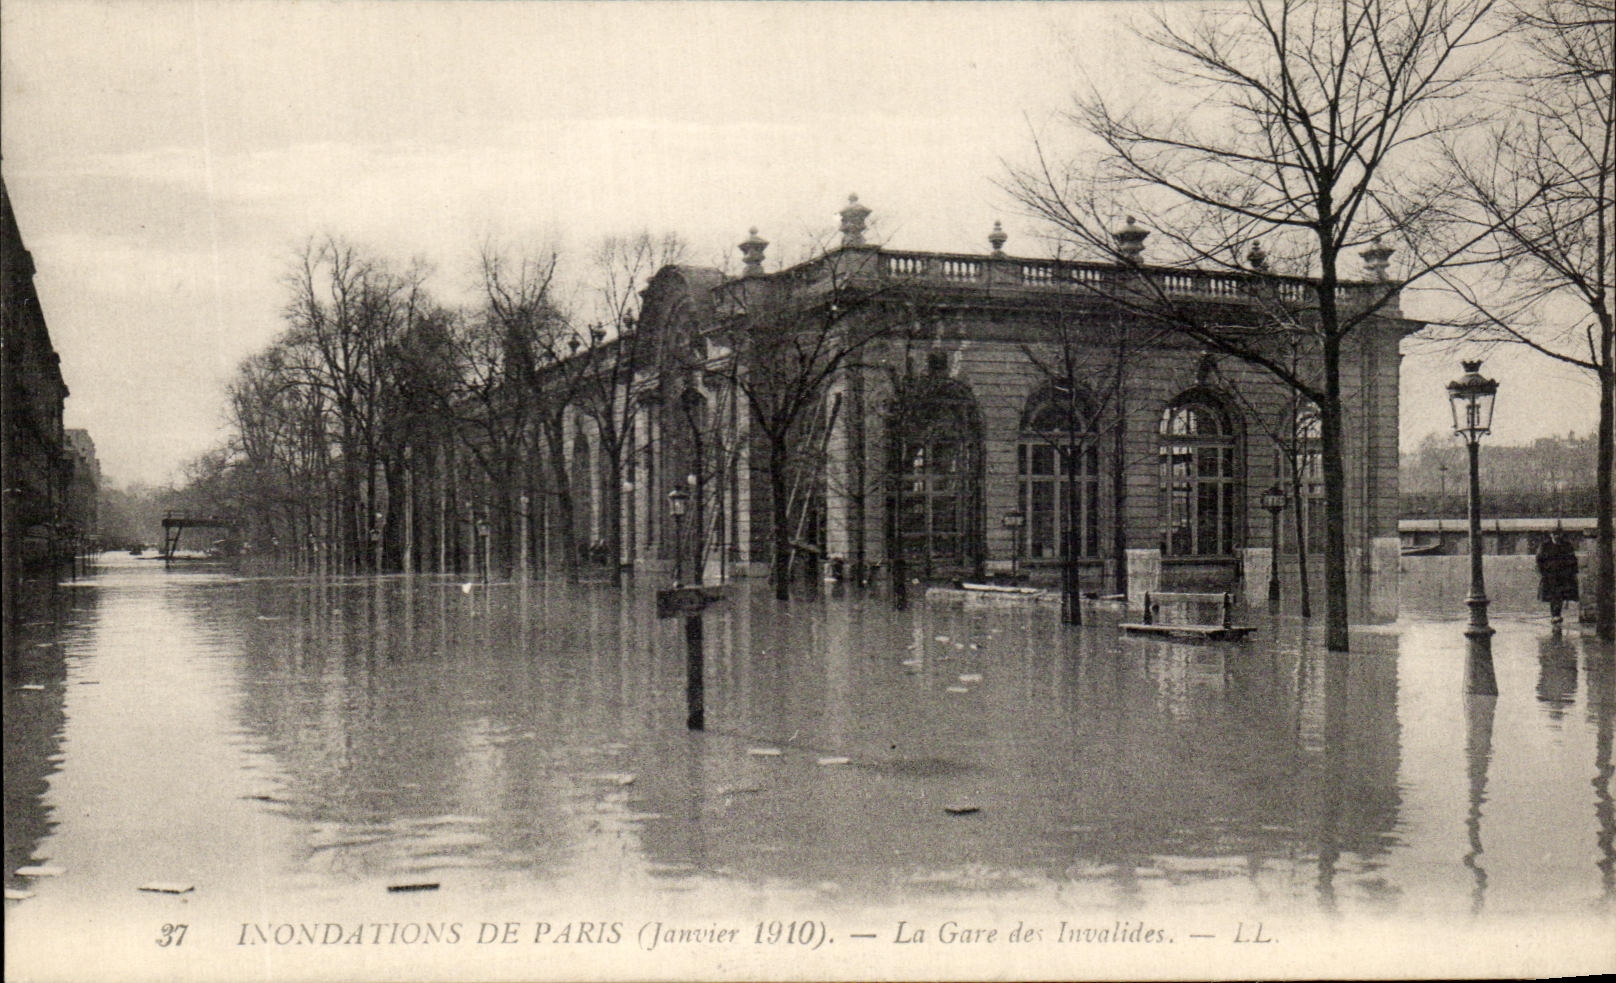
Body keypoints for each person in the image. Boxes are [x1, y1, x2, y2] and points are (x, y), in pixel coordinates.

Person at [1535, 526, 1580, 625]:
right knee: (1554, 596)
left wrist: (1573, 572)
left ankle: (1557, 614)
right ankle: (1555, 615)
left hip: (1564, 576)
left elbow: (1573, 559)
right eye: (1554, 534)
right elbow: (1539, 560)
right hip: (1550, 576)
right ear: (1551, 535)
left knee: (1560, 595)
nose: (1556, 536)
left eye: (1558, 534)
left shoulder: (1566, 545)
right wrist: (1542, 572)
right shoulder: (1545, 546)